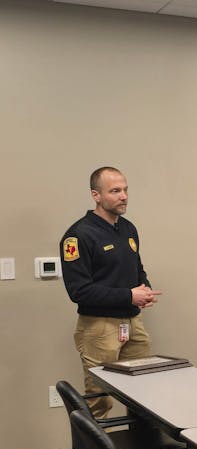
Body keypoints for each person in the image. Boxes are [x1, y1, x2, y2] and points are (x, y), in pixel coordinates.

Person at [60, 166, 161, 418]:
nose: (124, 196)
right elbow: (79, 291)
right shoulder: (78, 236)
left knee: (143, 395)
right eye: (115, 191)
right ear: (96, 195)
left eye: (125, 190)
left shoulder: (128, 228)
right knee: (100, 402)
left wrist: (144, 288)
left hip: (132, 323)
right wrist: (129, 295)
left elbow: (136, 268)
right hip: (99, 328)